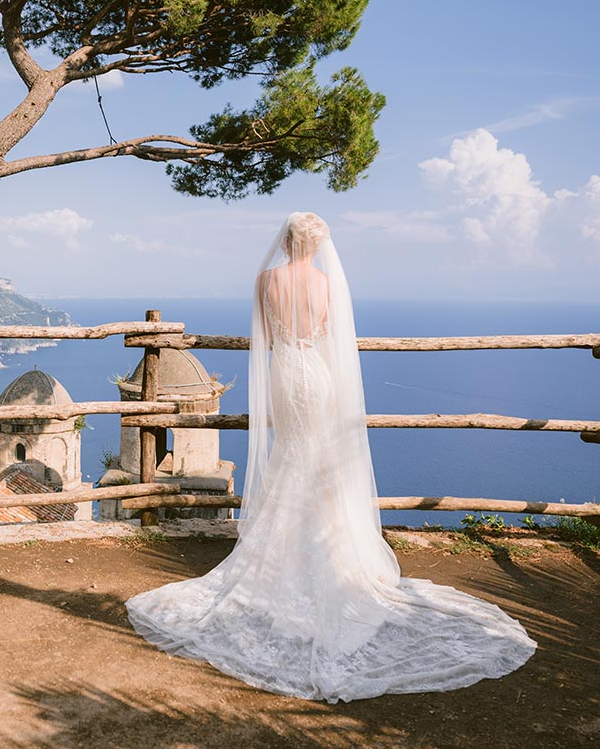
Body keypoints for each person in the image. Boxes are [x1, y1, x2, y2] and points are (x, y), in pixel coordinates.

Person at [125, 212, 535, 703]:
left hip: (284, 374)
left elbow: (268, 339)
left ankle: (282, 555)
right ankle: (326, 552)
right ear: (317, 245)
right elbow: (332, 342)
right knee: (318, 464)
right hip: (315, 376)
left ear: (286, 241)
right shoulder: (324, 282)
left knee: (290, 457)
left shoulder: (265, 280)